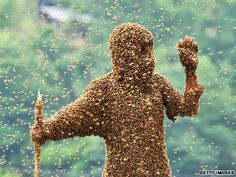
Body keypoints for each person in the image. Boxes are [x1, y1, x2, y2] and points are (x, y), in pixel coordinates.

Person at [30, 23, 205, 177]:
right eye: (142, 51)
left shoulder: (157, 84)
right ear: (123, 54)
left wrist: (190, 71)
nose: (149, 58)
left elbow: (188, 109)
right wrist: (46, 129)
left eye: (150, 50)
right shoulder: (104, 89)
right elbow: (74, 116)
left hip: (157, 172)